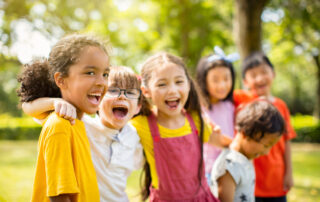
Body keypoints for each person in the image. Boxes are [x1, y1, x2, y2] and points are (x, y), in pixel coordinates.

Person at [22, 66, 144, 202]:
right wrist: (55, 102)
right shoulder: (80, 124)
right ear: (97, 100)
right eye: (113, 90)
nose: (122, 96)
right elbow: (28, 108)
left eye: (131, 92)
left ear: (138, 107)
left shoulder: (135, 136)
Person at [17, 34, 110, 201]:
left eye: (105, 74)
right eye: (90, 72)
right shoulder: (59, 126)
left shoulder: (78, 123)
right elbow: (60, 197)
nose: (102, 82)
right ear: (61, 80)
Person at [130, 52, 231, 201]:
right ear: (146, 91)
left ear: (188, 85)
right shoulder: (140, 125)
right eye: (162, 84)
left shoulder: (196, 120)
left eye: (179, 82)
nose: (172, 90)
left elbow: (223, 143)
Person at [233, 52, 296, 202]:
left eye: (264, 72)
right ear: (245, 81)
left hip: (276, 178)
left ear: (273, 74)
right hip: (249, 180)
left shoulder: (281, 106)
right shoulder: (242, 98)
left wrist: (289, 173)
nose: (260, 78)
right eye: (253, 75)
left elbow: (287, 141)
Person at [210, 100, 285, 202]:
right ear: (245, 133)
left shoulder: (244, 158)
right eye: (266, 145)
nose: (267, 152)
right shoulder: (229, 166)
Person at [196, 46, 238, 185]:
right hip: (207, 172)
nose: (222, 85)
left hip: (230, 169)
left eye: (226, 79)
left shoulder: (230, 106)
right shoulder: (199, 109)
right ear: (204, 80)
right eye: (215, 80)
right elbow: (214, 139)